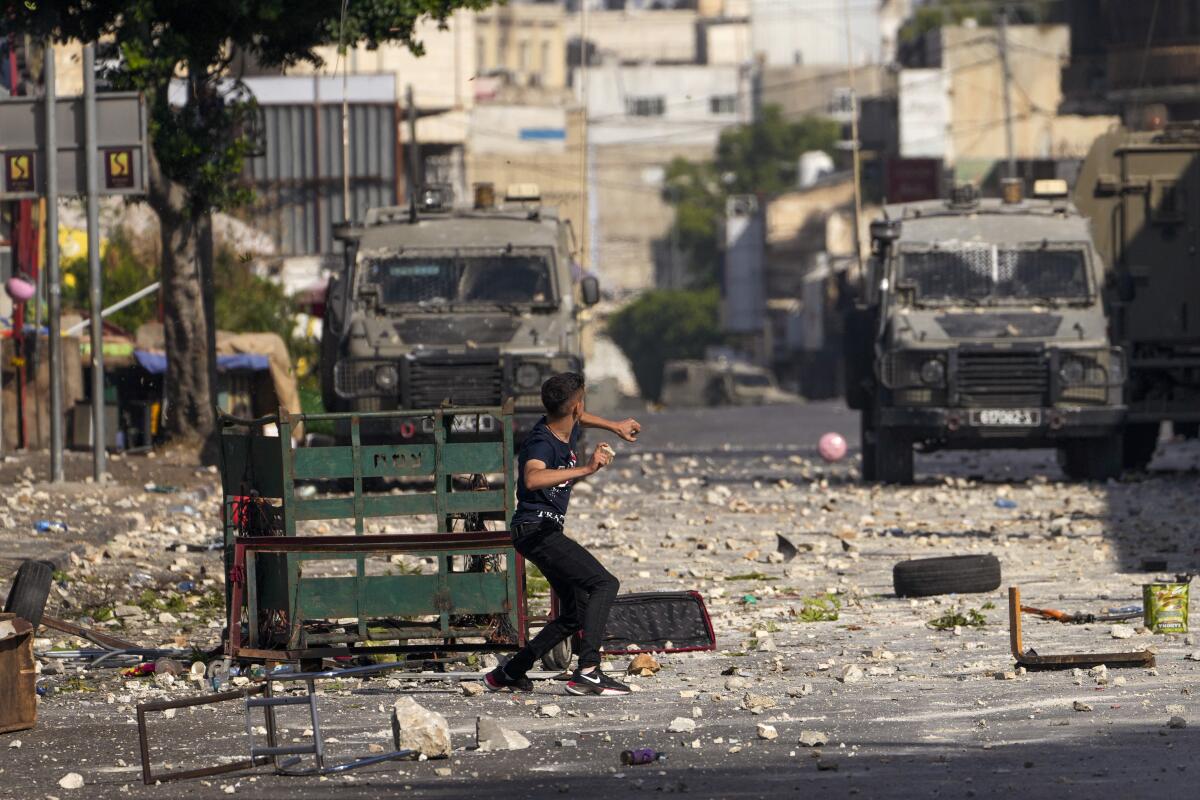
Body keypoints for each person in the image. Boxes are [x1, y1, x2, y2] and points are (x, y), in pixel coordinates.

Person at [485, 372, 641, 696]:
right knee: (604, 583)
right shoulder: (542, 440)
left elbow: (582, 415)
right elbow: (532, 478)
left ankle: (510, 672)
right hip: (536, 530)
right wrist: (587, 468)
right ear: (575, 406)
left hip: (539, 530)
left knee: (574, 613)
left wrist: (616, 427)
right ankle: (588, 671)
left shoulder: (567, 423)